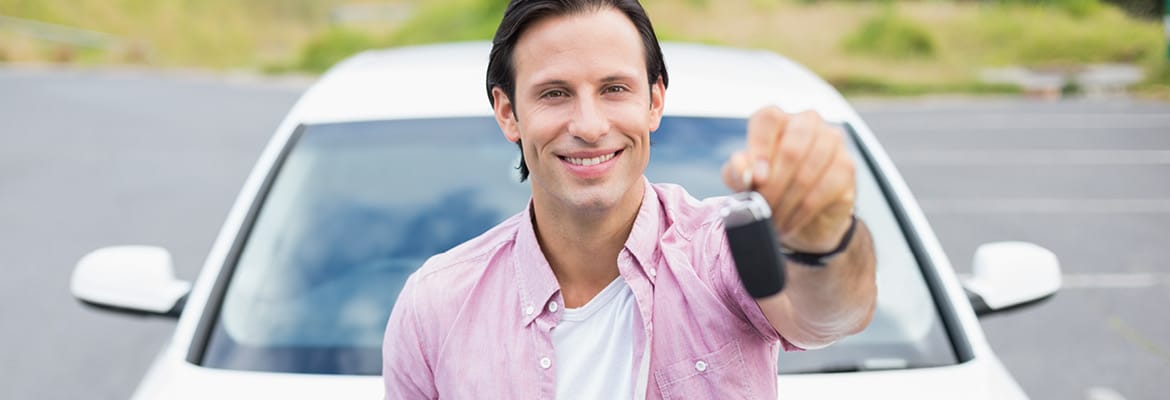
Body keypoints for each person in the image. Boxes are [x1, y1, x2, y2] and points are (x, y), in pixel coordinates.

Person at [382, 0, 877, 398]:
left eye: (614, 88)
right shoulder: (434, 307)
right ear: (508, 112)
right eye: (554, 94)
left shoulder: (718, 256)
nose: (590, 126)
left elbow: (830, 316)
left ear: (655, 100)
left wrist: (825, 240)